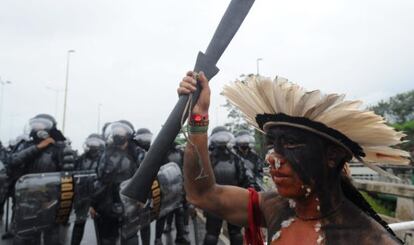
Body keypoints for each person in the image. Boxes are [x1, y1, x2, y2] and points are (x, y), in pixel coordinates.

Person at [177, 71, 409, 244]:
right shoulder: (276, 208)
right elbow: (203, 194)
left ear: (332, 156)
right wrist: (198, 118)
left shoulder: (368, 239)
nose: (272, 158)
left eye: (290, 144)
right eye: (272, 146)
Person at [7, 113, 76, 245]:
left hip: (49, 201)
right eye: (34, 125)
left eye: (41, 125)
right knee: (26, 236)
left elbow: (67, 177)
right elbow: (13, 162)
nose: (37, 128)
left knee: (52, 236)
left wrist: (62, 203)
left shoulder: (60, 148)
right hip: (26, 200)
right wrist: (39, 147)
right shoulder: (25, 145)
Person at [91, 120, 139, 245]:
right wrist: (93, 204)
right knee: (112, 237)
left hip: (125, 203)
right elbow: (101, 182)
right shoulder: (106, 155)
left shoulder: (135, 155)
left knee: (128, 236)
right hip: (111, 204)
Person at [71, 134, 105, 245]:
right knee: (79, 224)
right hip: (82, 196)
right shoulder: (81, 159)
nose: (93, 145)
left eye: (96, 142)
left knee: (101, 225)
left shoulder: (104, 159)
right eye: (91, 142)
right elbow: (74, 175)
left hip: (98, 197)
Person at [154, 140, 191, 245]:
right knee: (162, 214)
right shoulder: (161, 153)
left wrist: (185, 185)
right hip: (164, 186)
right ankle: (158, 238)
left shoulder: (180, 153)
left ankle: (180, 236)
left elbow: (185, 169)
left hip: (178, 185)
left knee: (179, 211)